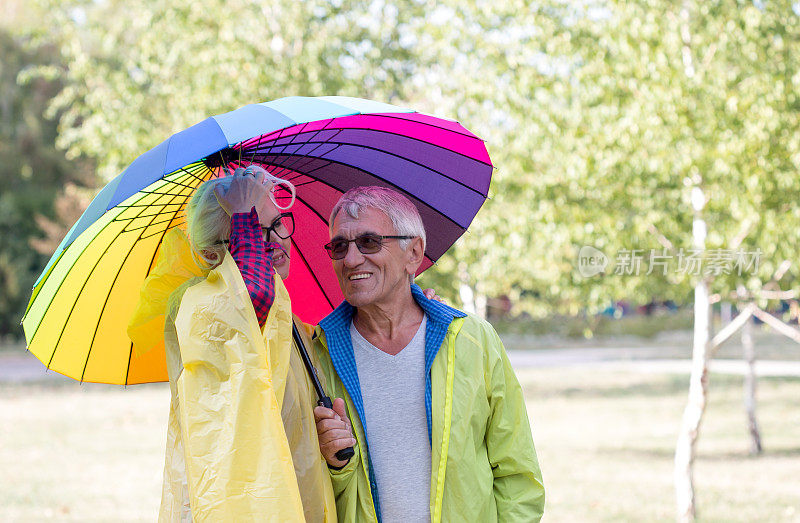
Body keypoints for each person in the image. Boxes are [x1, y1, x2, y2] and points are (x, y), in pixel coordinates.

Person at [311, 186, 545, 522]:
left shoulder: (471, 340)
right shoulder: (316, 353)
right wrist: (336, 464)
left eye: (369, 242)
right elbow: (307, 489)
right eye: (339, 246)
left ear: (413, 253)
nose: (350, 259)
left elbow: (517, 474)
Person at [129, 166, 336, 521]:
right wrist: (242, 212)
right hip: (243, 503)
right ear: (212, 254)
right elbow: (251, 296)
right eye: (255, 232)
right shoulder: (199, 306)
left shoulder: (290, 321)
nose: (274, 241)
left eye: (277, 225)